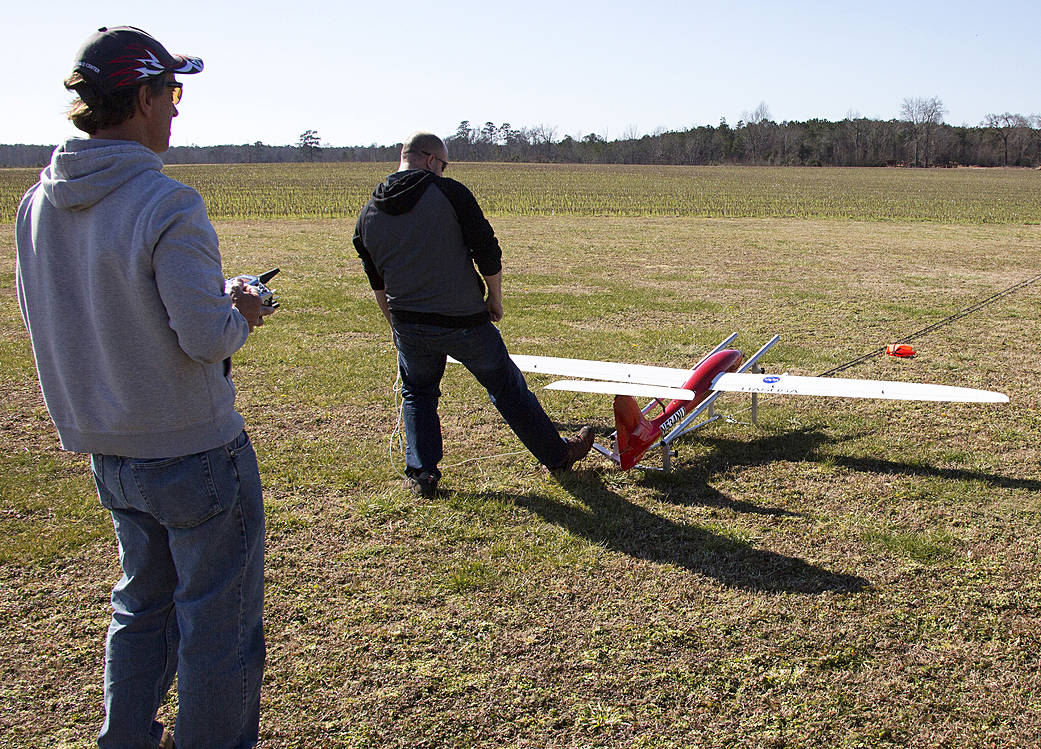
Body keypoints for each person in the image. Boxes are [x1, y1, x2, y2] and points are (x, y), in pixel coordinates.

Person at [15, 27, 269, 748]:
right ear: (141, 96)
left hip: (110, 456)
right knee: (218, 631)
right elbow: (207, 338)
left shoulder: (36, 204)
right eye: (172, 93)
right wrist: (243, 307)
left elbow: (61, 314)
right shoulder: (167, 201)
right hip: (194, 454)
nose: (177, 112)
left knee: (141, 608)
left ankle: (122, 736)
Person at [353, 132, 594, 497]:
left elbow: (377, 282)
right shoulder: (449, 193)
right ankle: (558, 455)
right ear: (432, 160)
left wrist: (395, 327)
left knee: (417, 393)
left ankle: (422, 473)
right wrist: (495, 298)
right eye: (444, 165)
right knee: (507, 387)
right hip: (463, 320)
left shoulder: (368, 213)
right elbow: (487, 250)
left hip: (409, 323)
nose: (444, 170)